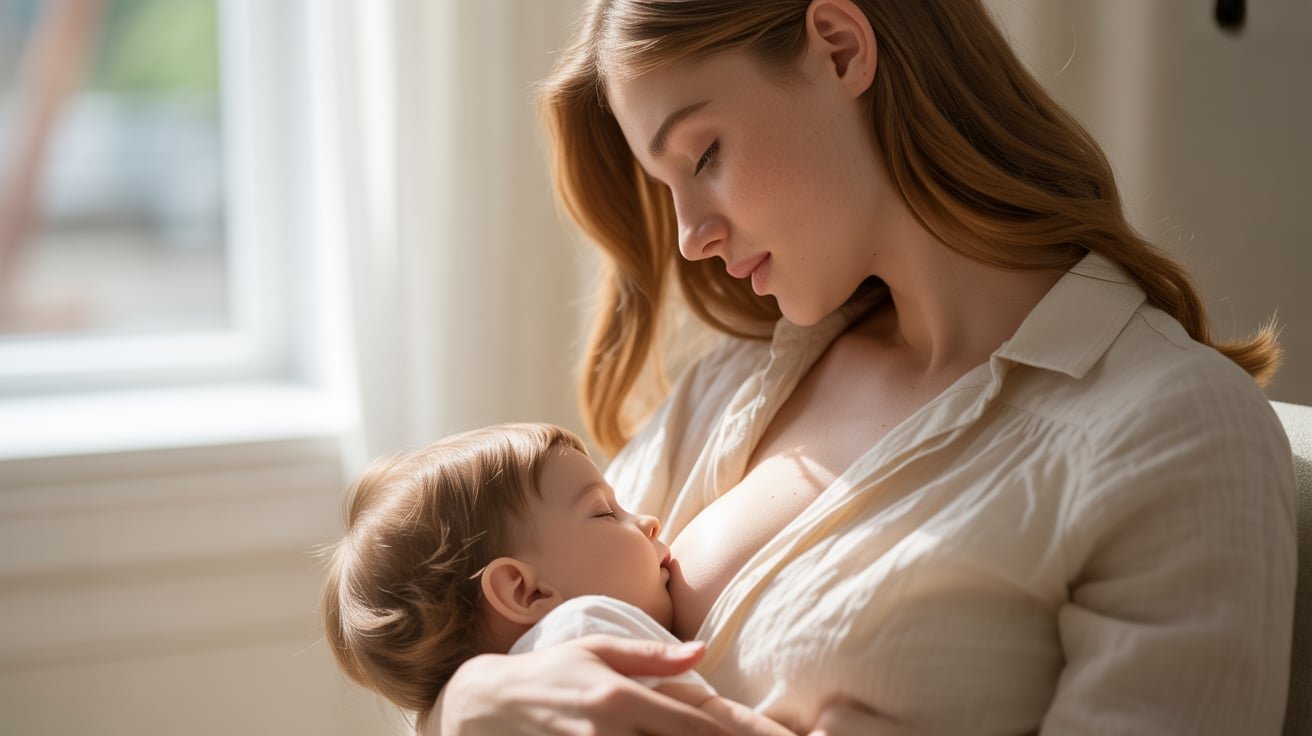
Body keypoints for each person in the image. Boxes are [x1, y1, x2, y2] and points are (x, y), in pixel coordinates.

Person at [434, 0, 1298, 733]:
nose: (691, 234)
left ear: (841, 48)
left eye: (703, 156)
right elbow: (510, 624)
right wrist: (468, 699)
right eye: (666, 186)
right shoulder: (729, 384)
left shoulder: (1172, 433)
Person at [320, 422, 793, 735]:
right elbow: (715, 725)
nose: (647, 520)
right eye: (606, 512)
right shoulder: (582, 631)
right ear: (526, 591)